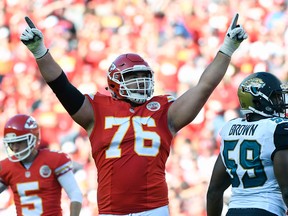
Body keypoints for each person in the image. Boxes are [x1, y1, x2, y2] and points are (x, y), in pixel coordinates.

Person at [20, 13, 247, 215]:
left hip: (154, 208)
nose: (140, 82)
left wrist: (227, 48)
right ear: (115, 81)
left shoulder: (164, 110)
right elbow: (61, 85)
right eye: (132, 77)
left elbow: (204, 86)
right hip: (112, 210)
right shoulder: (96, 109)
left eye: (144, 76)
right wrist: (40, 51)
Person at [206, 72, 288, 216]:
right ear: (258, 101)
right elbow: (287, 190)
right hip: (267, 209)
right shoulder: (277, 128)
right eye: (275, 97)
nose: (280, 101)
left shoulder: (230, 128)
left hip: (234, 211)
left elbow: (214, 191)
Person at [0, 114, 83, 216]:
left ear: (33, 139)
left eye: (19, 142)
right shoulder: (6, 166)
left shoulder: (53, 160)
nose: (15, 148)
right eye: (11, 143)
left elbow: (75, 194)